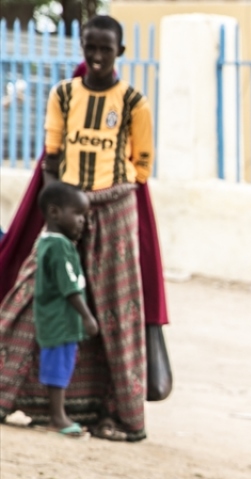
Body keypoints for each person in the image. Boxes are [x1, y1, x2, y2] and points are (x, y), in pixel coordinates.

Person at [0, 16, 166, 441]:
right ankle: (8, 393)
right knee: (30, 294)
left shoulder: (134, 103)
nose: (95, 57)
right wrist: (63, 207)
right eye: (89, 48)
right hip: (64, 209)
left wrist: (101, 197)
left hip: (115, 211)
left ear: (119, 53)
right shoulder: (63, 95)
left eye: (105, 50)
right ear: (81, 47)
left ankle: (122, 418)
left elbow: (141, 167)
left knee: (116, 311)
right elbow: (52, 156)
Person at [33, 181, 100, 437]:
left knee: (57, 366)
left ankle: (56, 415)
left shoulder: (48, 242)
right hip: (61, 320)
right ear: (54, 213)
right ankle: (58, 417)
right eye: (78, 214)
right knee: (58, 368)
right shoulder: (59, 246)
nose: (83, 221)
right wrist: (87, 316)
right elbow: (69, 286)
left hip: (54, 318)